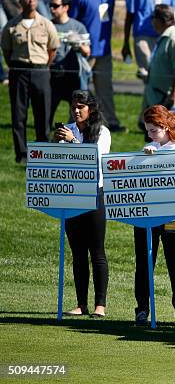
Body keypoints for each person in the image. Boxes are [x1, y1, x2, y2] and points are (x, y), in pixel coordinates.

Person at [54, 90, 110, 319]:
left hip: (95, 194)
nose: (76, 111)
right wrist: (56, 143)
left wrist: (73, 142)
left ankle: (100, 305)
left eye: (81, 107)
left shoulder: (102, 132)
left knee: (96, 251)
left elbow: (97, 160)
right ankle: (81, 304)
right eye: (73, 107)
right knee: (77, 253)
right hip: (72, 195)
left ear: (92, 109)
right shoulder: (68, 129)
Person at [134, 105, 175, 327]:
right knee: (144, 261)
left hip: (172, 216)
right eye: (148, 131)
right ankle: (142, 309)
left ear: (166, 127)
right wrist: (144, 157)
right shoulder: (149, 147)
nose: (150, 135)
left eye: (153, 131)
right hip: (146, 214)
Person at [1, 0, 59, 164]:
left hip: (40, 71)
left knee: (42, 113)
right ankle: (22, 154)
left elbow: (52, 49)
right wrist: (16, 67)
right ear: (20, 0)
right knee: (18, 115)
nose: (31, 1)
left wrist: (42, 66)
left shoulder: (46, 24)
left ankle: (42, 153)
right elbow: (6, 50)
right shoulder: (11, 25)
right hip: (19, 71)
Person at [70, 0, 125, 133]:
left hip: (104, 52)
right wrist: (80, 46)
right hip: (86, 53)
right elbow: (72, 25)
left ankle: (111, 122)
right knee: (81, 91)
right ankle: (75, 124)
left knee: (106, 89)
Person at [49, 0, 91, 127]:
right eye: (50, 5)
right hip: (52, 74)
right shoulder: (47, 25)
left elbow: (87, 52)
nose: (51, 8)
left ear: (66, 7)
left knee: (76, 112)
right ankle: (45, 139)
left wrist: (77, 44)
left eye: (55, 5)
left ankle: (73, 138)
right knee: (47, 110)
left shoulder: (78, 27)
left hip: (73, 76)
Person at [123, 0, 173, 81]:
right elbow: (129, 16)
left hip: (162, 39)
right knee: (149, 77)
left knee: (161, 76)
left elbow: (171, 19)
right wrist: (126, 42)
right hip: (143, 37)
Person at [142, 5, 175, 111]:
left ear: (160, 20)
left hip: (169, 100)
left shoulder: (173, 39)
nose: (151, 22)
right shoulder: (164, 36)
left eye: (153, 18)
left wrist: (173, 94)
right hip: (158, 97)